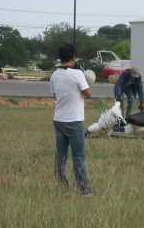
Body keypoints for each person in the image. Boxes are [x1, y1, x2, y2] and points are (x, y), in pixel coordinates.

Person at [50, 44, 93, 195]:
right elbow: (88, 94)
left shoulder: (54, 75)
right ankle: (85, 190)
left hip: (59, 119)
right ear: (74, 58)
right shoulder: (77, 74)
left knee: (60, 155)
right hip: (73, 121)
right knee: (78, 156)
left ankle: (62, 187)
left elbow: (55, 96)